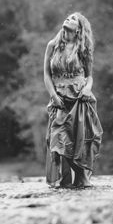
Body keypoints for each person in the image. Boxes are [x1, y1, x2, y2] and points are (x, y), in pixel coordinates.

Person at [43, 12, 103, 188]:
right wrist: (53, 95)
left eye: (73, 19)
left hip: (80, 98)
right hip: (59, 99)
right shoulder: (52, 46)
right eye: (68, 18)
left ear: (79, 28)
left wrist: (87, 89)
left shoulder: (84, 49)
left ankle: (81, 179)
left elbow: (90, 76)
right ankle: (65, 180)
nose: (68, 19)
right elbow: (46, 75)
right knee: (58, 138)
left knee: (79, 139)